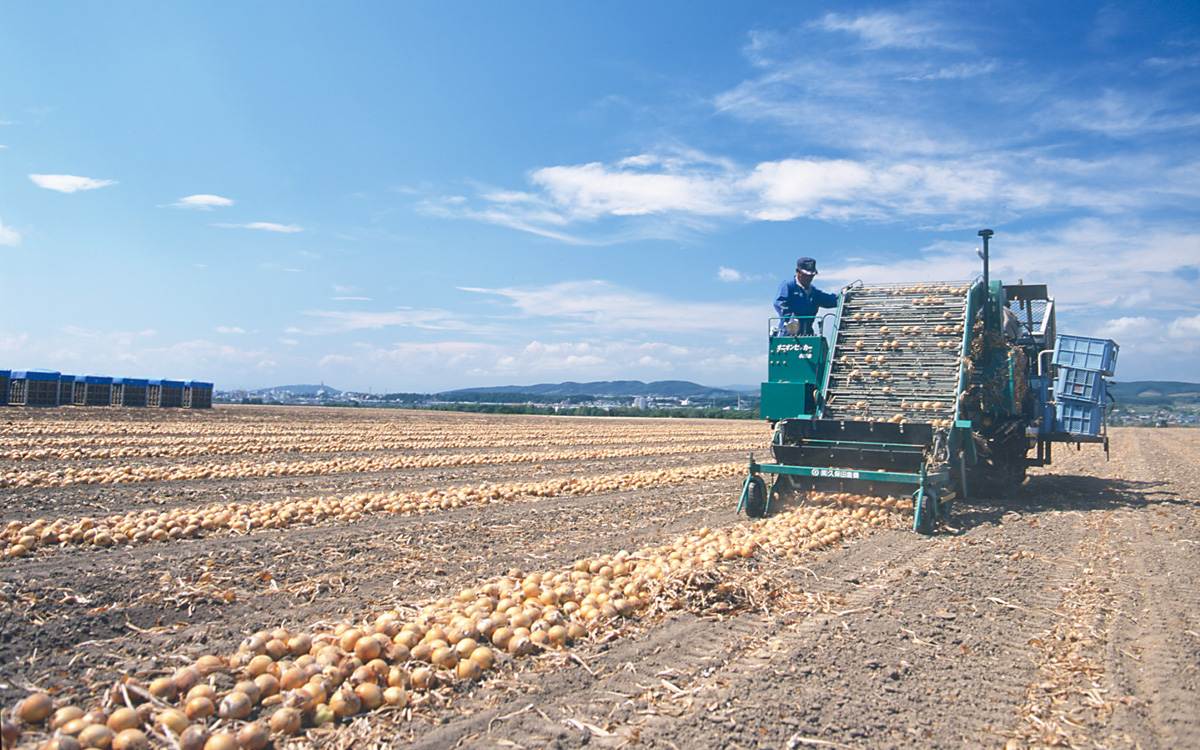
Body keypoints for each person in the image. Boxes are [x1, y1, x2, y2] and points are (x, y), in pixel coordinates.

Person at [775, 257, 838, 335]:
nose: (808, 278)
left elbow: (829, 300)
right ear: (797, 272)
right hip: (789, 333)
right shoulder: (789, 286)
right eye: (805, 275)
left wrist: (843, 296)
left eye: (811, 275)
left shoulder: (814, 292)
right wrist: (790, 318)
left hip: (807, 333)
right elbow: (780, 303)